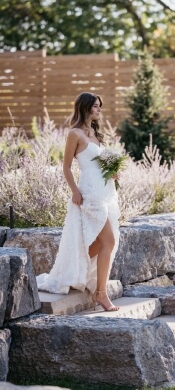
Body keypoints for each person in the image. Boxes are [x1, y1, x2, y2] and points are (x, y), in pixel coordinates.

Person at [37, 92, 120, 312]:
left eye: (100, 106)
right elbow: (65, 167)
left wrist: (112, 173)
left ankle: (70, 269)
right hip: (89, 193)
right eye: (95, 106)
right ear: (84, 107)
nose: (99, 110)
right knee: (109, 242)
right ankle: (100, 294)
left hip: (105, 192)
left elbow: (98, 165)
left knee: (101, 243)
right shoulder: (74, 134)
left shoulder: (95, 133)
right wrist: (75, 191)